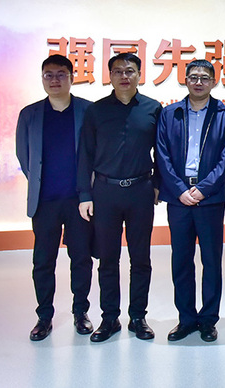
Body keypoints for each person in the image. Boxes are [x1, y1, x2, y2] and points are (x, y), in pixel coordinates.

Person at [77, 53, 162, 343]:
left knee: (141, 258)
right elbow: (85, 154)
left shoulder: (153, 108)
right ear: (110, 76)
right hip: (105, 192)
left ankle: (138, 317)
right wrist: (85, 194)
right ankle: (109, 317)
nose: (124, 76)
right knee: (108, 259)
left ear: (139, 74)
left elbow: (162, 152)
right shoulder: (96, 111)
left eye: (130, 71)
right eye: (117, 71)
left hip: (140, 191)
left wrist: (157, 185)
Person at [155, 59, 225, 343]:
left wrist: (203, 189)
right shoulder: (170, 113)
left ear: (214, 81)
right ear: (185, 80)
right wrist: (179, 189)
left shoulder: (224, 114)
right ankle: (186, 319)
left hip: (210, 199)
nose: (198, 82)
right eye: (193, 77)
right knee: (181, 260)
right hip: (178, 200)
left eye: (204, 77)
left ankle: (209, 320)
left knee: (211, 261)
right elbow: (161, 154)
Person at [16, 54, 93, 341]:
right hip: (45, 202)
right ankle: (44, 316)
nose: (54, 80)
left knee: (81, 259)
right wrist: (39, 183)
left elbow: (96, 152)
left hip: (79, 201)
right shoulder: (30, 114)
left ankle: (80, 312)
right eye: (48, 75)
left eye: (61, 74)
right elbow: (24, 156)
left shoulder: (88, 110)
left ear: (72, 78)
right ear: (42, 78)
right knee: (43, 261)